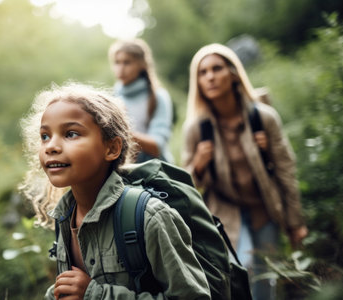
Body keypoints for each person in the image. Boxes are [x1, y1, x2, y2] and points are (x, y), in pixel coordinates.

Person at [19, 83, 211, 299]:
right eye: (45, 136)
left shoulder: (149, 217)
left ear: (111, 148)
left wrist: (96, 295)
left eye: (71, 133)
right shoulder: (65, 217)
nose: (50, 146)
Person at [181, 43, 308, 299]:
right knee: (237, 278)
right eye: (203, 72)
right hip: (224, 213)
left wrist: (296, 223)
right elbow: (185, 184)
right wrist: (199, 163)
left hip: (265, 210)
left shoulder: (263, 118)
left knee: (265, 280)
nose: (210, 76)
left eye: (217, 68)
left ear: (233, 73)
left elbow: (285, 170)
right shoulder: (196, 128)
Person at [108, 38, 174, 163]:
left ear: (142, 64)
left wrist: (122, 128)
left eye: (127, 63)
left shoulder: (158, 96)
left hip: (156, 171)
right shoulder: (112, 97)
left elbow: (157, 146)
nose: (120, 69)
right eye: (117, 62)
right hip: (123, 172)